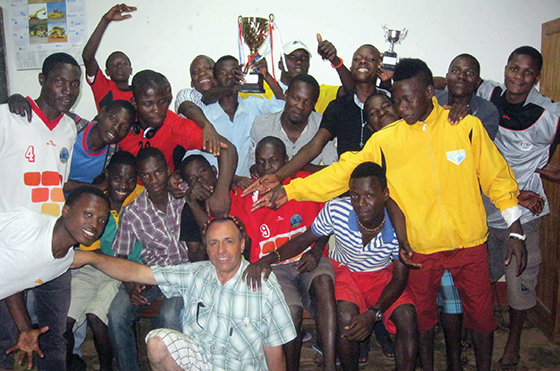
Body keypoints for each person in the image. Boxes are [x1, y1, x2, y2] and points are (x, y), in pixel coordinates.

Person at [249, 59, 527, 371]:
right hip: (420, 247)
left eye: (408, 99)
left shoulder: (465, 126)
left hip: (471, 242)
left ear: (429, 92)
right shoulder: (385, 140)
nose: (402, 108)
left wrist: (515, 229)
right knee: (422, 319)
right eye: (397, 101)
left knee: (482, 318)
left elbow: (497, 179)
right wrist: (291, 190)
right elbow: (343, 172)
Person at [245, 162, 417, 371]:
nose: (361, 203)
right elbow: (305, 238)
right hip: (345, 271)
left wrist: (374, 314)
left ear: (385, 194)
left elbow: (400, 279)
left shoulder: (400, 224)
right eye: (355, 196)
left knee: (407, 316)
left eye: (370, 195)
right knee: (345, 315)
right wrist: (269, 258)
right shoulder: (338, 210)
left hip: (381, 275)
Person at [73, 216, 297, 371]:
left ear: (241, 245)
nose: (221, 250)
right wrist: (94, 258)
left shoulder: (262, 285)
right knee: (158, 342)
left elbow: (275, 354)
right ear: (207, 247)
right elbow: (137, 272)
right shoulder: (196, 274)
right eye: (213, 243)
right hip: (203, 363)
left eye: (229, 242)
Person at [475, 46, 560, 370]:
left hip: (524, 217)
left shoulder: (547, 114)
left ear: (536, 77)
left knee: (519, 287)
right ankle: (482, 328)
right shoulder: (490, 93)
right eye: (514, 68)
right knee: (480, 278)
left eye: (527, 72)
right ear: (506, 68)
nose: (518, 77)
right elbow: (455, 80)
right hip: (488, 211)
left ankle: (513, 343)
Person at [0, 52, 81, 371]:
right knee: (10, 338)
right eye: (60, 81)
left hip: (53, 246)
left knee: (54, 335)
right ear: (42, 80)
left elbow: (56, 182)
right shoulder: (8, 116)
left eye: (74, 84)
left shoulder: (69, 129)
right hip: (11, 244)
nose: (68, 91)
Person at [433, 53, 501, 370]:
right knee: (447, 297)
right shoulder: (432, 100)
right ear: (446, 75)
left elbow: (476, 158)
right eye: (455, 70)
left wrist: (464, 119)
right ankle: (452, 358)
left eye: (469, 72)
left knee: (474, 299)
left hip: (468, 214)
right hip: (433, 212)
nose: (461, 76)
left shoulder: (486, 112)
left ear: (478, 80)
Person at [246, 44, 390, 187]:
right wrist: (281, 174)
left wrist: (387, 81)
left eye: (370, 59)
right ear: (351, 68)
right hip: (348, 189)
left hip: (389, 181)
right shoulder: (338, 107)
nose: (363, 62)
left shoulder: (389, 102)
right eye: (358, 59)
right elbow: (315, 146)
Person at [0, 187, 109, 370]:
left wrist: (25, 327)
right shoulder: (28, 225)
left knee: (54, 337)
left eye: (101, 220)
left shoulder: (62, 261)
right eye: (88, 214)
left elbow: (11, 279)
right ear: (66, 210)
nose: (94, 225)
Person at [117, 69, 236, 217]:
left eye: (162, 102)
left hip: (164, 194)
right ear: (134, 103)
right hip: (127, 193)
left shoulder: (175, 125)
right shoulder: (121, 121)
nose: (157, 110)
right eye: (148, 104)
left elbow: (227, 149)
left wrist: (222, 193)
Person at [64, 152, 143, 371]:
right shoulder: (98, 203)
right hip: (95, 264)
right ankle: (67, 364)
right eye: (117, 178)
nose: (124, 185)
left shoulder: (141, 197)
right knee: (66, 320)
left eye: (130, 179)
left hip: (126, 270)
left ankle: (107, 367)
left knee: (96, 317)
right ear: (107, 175)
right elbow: (91, 249)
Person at [194, 55, 284, 180]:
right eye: (223, 73)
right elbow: (192, 157)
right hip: (216, 187)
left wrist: (266, 75)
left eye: (235, 72)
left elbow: (281, 105)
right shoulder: (204, 116)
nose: (230, 77)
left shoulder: (252, 105)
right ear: (215, 80)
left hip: (246, 188)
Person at [250, 74, 338, 173]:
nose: (300, 106)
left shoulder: (324, 125)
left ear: (315, 103)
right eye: (295, 98)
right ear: (286, 94)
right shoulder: (261, 125)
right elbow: (252, 166)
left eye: (308, 102)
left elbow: (332, 170)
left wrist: (296, 165)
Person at [244, 37, 354, 114]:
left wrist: (334, 60)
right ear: (280, 64)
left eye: (304, 59)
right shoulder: (262, 89)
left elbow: (352, 90)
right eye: (292, 57)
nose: (299, 62)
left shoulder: (318, 92)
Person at [64, 99, 136, 193]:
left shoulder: (112, 154)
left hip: (74, 205)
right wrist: (95, 188)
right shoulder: (72, 125)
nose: (116, 128)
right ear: (101, 113)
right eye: (113, 118)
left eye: (124, 127)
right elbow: (55, 181)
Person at [82, 4, 136, 111]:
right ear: (107, 72)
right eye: (114, 64)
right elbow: (87, 57)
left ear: (130, 70)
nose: (120, 66)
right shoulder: (103, 87)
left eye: (124, 63)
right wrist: (105, 20)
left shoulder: (139, 91)